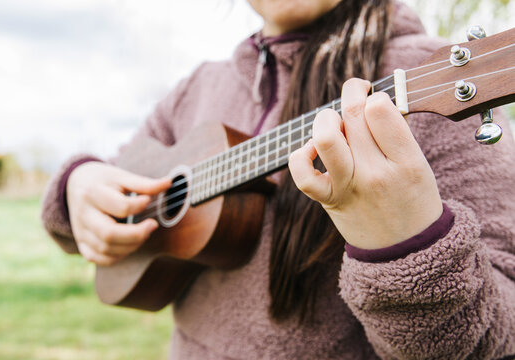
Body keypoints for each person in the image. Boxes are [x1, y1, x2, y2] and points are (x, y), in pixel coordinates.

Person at [41, 0, 515, 358]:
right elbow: (123, 174)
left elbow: (499, 335)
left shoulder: (423, 70)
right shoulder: (198, 87)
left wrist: (405, 244)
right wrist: (77, 186)